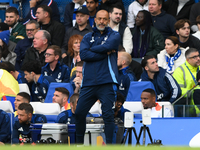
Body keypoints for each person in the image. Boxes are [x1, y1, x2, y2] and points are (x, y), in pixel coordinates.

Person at [76, 10, 121, 144]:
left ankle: (110, 146)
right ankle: (78, 145)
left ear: (108, 21)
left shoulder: (115, 34)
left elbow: (109, 45)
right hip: (89, 82)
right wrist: (104, 52)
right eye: (99, 19)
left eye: (105, 19)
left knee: (108, 115)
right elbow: (83, 55)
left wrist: (91, 49)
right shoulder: (87, 37)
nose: (102, 21)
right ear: (95, 20)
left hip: (106, 81)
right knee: (79, 113)